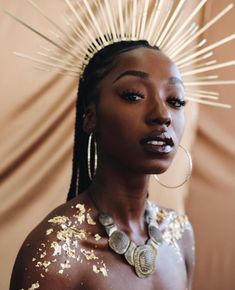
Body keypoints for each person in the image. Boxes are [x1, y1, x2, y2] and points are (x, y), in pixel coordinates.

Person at [10, 40, 195, 290]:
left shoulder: (179, 234)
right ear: (90, 116)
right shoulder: (57, 251)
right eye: (134, 95)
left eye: (176, 101)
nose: (162, 115)